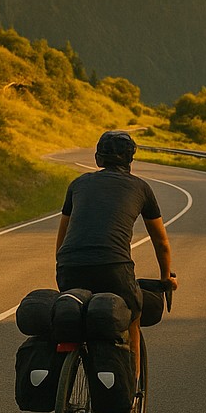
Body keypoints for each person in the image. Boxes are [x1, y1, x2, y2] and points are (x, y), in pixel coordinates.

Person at [54, 130, 176, 387]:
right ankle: (130, 395)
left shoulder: (77, 184)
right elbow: (162, 243)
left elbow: (62, 237)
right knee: (133, 314)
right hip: (114, 267)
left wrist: (65, 267)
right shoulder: (141, 188)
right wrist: (166, 279)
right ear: (131, 159)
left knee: (77, 315)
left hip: (69, 267)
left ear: (98, 158)